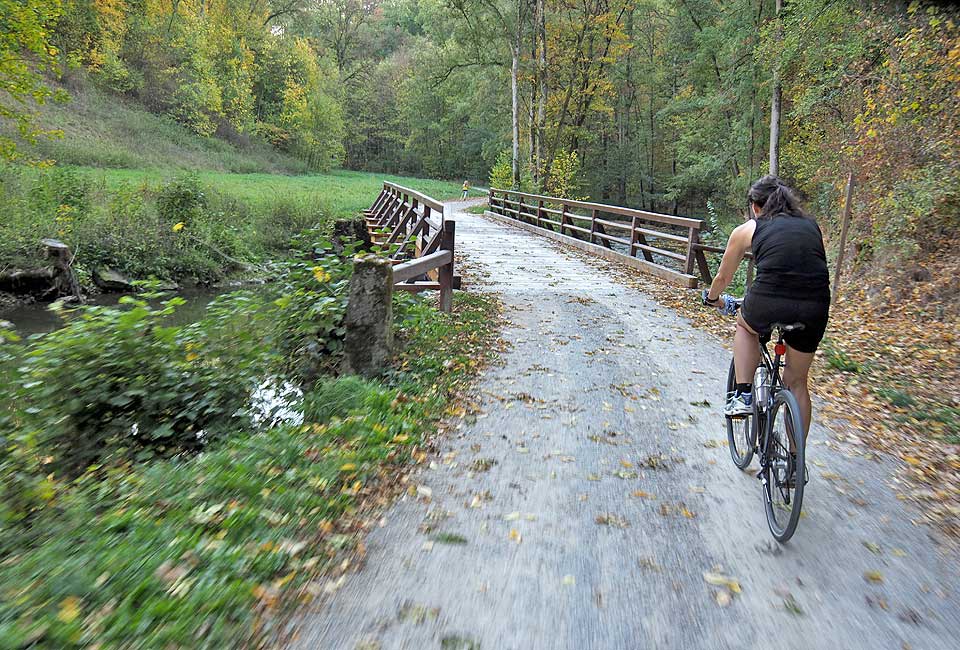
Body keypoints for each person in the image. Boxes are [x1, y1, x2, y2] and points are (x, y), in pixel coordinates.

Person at [702, 175, 830, 440]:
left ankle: (744, 393)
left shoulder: (749, 228)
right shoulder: (811, 225)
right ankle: (795, 465)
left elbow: (722, 278)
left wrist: (712, 298)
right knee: (797, 383)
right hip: (815, 305)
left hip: (770, 299)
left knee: (745, 327)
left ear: (756, 206)